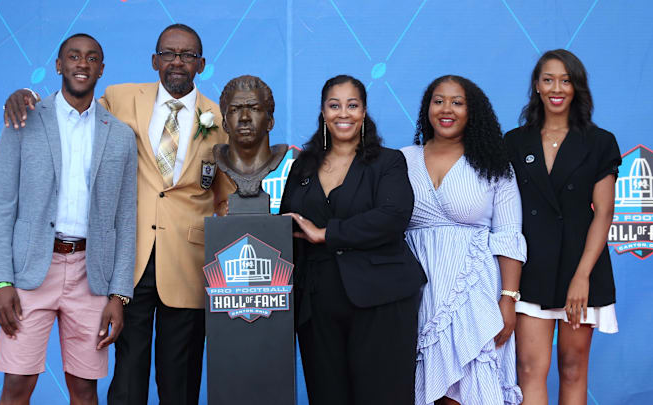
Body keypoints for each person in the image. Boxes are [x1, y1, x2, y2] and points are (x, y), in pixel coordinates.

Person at [3, 24, 235, 404]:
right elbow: (70, 109)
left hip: (189, 261)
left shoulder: (219, 119)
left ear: (202, 64)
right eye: (170, 53)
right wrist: (26, 96)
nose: (178, 61)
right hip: (126, 263)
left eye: (188, 55)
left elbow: (224, 196)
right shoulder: (119, 98)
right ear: (154, 60)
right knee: (127, 377)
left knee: (181, 378)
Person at [0, 33, 136, 405]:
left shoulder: (119, 136)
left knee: (84, 390)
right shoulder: (24, 119)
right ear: (58, 65)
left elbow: (125, 219)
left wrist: (119, 294)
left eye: (91, 58)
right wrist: (0, 281)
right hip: (31, 272)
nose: (81, 64)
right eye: (73, 56)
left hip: (92, 274)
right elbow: (2, 204)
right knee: (17, 385)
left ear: (102, 68)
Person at [280, 74, 426, 405]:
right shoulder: (301, 166)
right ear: (322, 112)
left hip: (381, 298)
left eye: (352, 105)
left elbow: (392, 217)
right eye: (334, 105)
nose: (343, 113)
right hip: (317, 303)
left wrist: (326, 233)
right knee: (327, 395)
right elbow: (291, 223)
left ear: (364, 112)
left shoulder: (387, 162)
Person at [505, 49, 620, 405]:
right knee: (528, 369)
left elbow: (603, 212)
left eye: (566, 80)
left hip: (580, 266)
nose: (557, 88)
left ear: (577, 87)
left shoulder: (600, 142)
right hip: (531, 269)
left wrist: (582, 275)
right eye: (548, 79)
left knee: (572, 368)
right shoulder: (513, 142)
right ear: (537, 86)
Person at [403, 75, 525, 405]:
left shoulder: (494, 165)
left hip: (474, 294)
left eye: (457, 102)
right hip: (417, 295)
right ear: (427, 108)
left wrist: (508, 300)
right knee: (429, 391)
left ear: (473, 112)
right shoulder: (401, 161)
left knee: (474, 387)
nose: (447, 109)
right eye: (438, 100)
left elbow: (509, 235)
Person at [214, 75, 287, 198]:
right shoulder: (219, 158)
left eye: (254, 108)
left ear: (270, 122)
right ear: (225, 124)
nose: (244, 117)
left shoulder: (287, 160)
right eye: (235, 109)